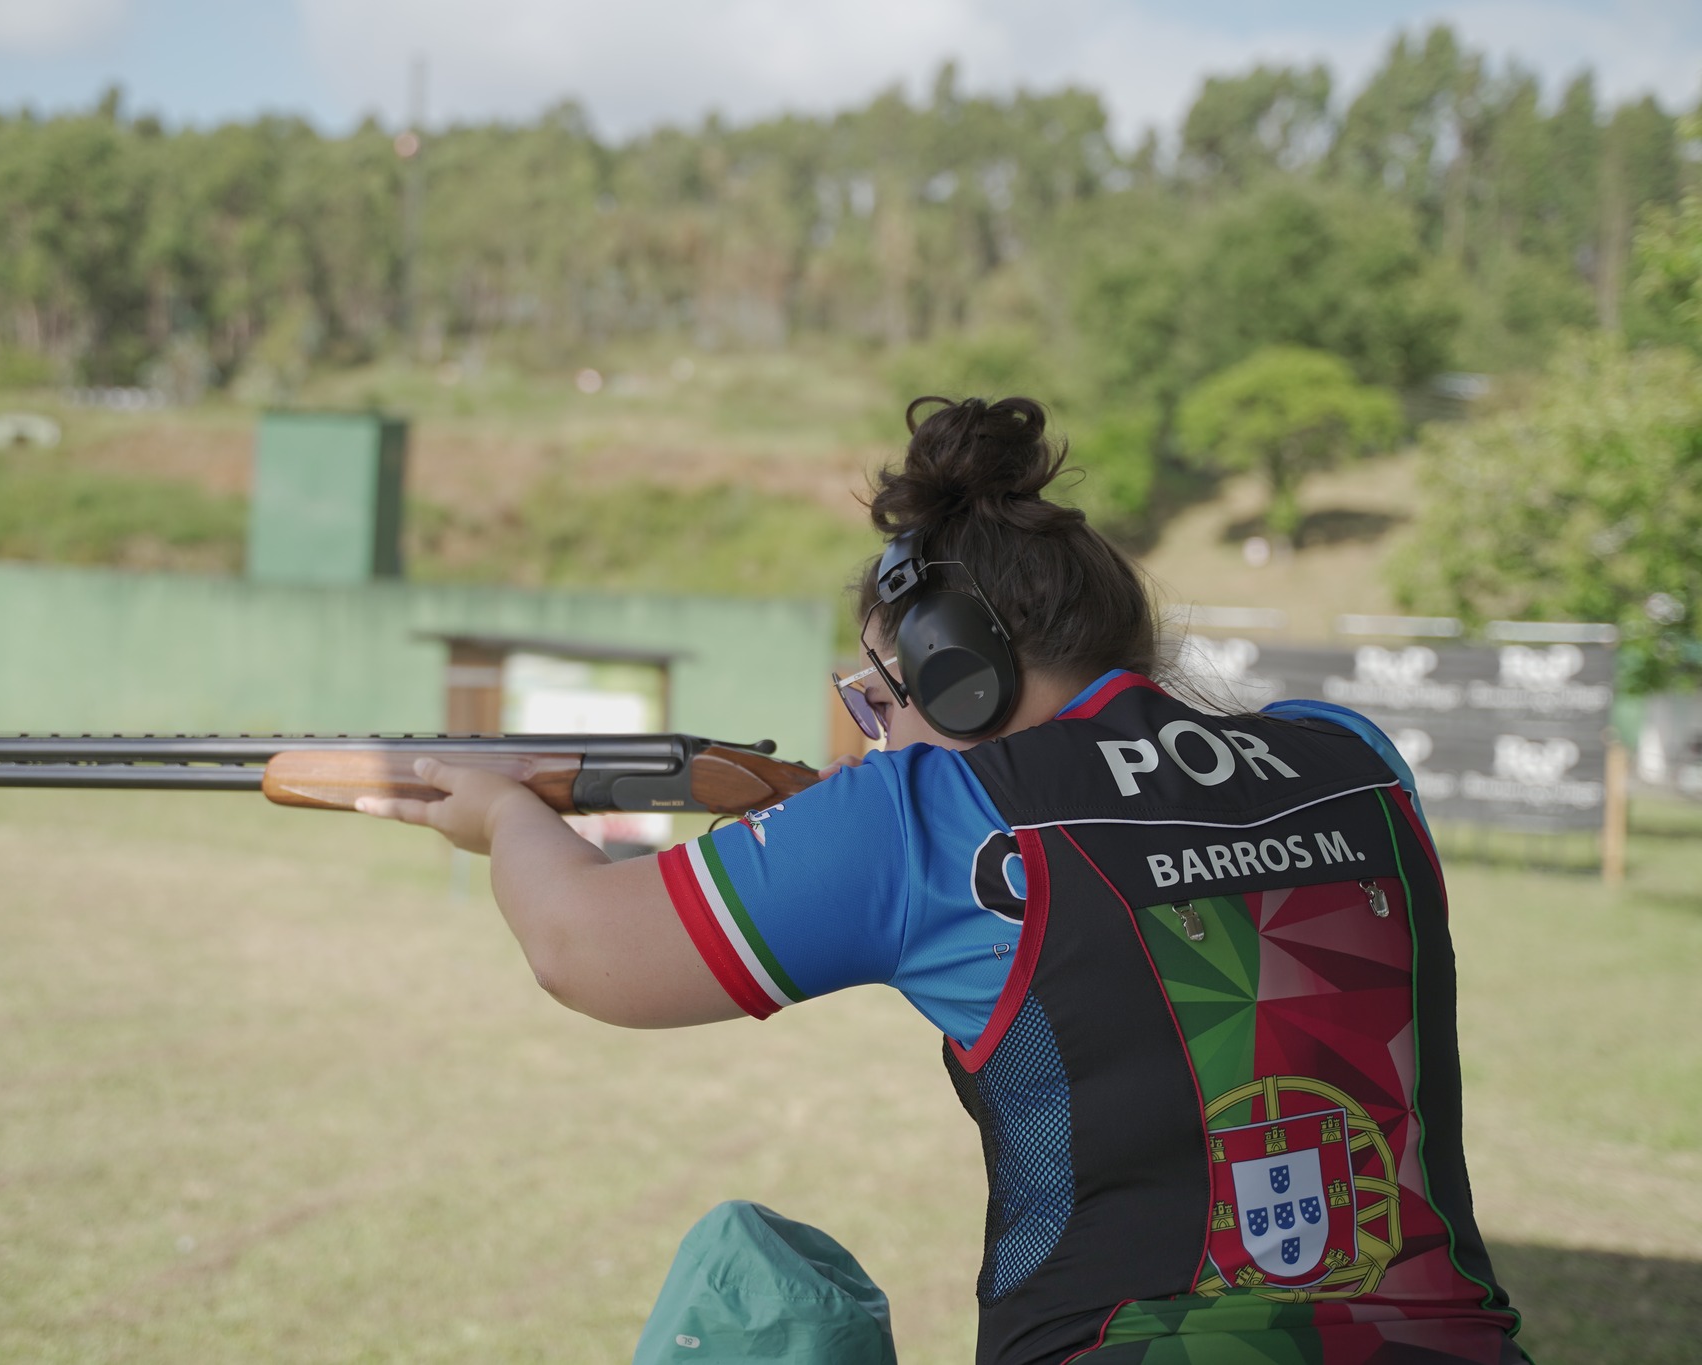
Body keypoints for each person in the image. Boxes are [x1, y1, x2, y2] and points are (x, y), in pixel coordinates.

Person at [357, 396, 1528, 1365]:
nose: (872, 740)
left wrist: (502, 814)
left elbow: (580, 946)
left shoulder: (936, 815)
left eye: (881, 699)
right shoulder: (1350, 758)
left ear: (955, 674)